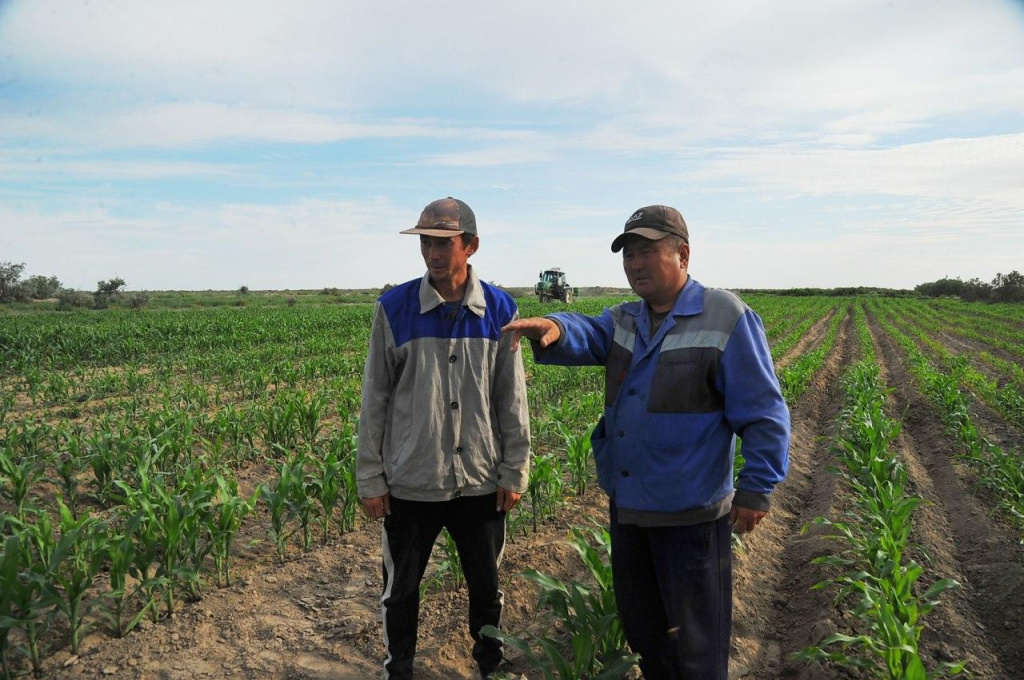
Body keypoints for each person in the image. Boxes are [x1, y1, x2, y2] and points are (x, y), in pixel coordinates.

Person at [502, 205, 790, 680]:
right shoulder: (626, 319)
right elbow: (588, 330)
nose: (635, 263)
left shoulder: (724, 316)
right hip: (630, 509)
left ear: (683, 254)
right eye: (628, 254)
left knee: (696, 648)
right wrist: (554, 325)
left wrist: (757, 487)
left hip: (691, 517)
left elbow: (764, 410)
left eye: (647, 251)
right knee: (647, 639)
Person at [357, 197, 531, 680]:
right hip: (412, 481)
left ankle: (490, 667)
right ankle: (401, 671)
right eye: (426, 243)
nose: (433, 253)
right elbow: (375, 398)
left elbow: (510, 398)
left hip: (479, 480)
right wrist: (371, 476)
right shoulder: (394, 309)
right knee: (401, 589)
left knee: (486, 586)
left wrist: (514, 469)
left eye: (443, 243)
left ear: (470, 246)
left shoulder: (499, 309)